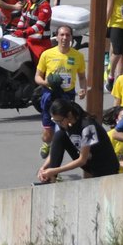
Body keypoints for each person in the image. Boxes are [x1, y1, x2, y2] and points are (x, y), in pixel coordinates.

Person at [39, 98, 120, 181]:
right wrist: (44, 168)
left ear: (69, 115)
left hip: (104, 167)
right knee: (59, 135)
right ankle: (50, 178)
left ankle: (51, 175)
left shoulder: (87, 127)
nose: (58, 124)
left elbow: (82, 160)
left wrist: (54, 170)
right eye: (55, 121)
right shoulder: (65, 123)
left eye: (59, 121)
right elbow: (56, 148)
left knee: (60, 135)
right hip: (89, 161)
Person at [34, 23, 84, 155]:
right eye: (62, 34)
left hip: (67, 96)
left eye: (68, 35)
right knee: (48, 134)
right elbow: (37, 77)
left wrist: (83, 89)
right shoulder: (47, 54)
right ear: (56, 37)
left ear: (72, 38)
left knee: (61, 131)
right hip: (50, 95)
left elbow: (82, 77)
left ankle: (54, 165)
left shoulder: (78, 56)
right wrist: (47, 82)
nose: (64, 38)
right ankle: (47, 144)